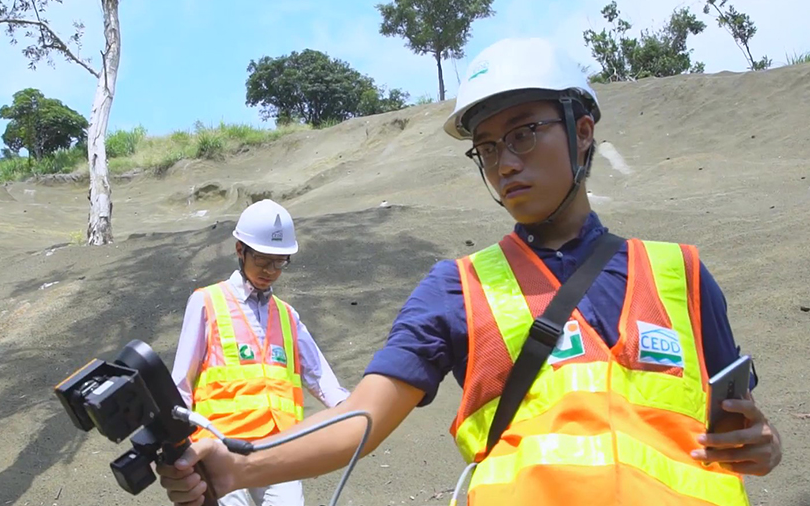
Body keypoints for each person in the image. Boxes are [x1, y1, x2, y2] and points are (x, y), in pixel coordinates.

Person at [157, 38, 783, 506]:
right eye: (485, 148)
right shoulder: (458, 287)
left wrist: (764, 445)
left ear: (583, 132)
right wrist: (239, 464)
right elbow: (365, 415)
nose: (503, 163)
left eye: (524, 134)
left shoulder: (682, 273)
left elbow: (738, 427)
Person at [169, 198, 351, 506]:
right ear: (240, 250)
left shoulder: (288, 316)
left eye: (280, 262)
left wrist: (358, 414)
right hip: (222, 446)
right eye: (263, 260)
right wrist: (175, 443)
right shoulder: (206, 302)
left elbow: (323, 380)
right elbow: (181, 385)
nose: (270, 270)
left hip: (279, 450)